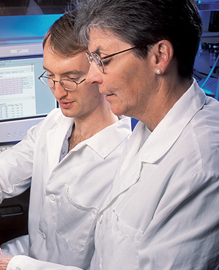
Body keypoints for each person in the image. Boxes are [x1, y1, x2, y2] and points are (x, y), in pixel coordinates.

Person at [0, 11, 131, 270]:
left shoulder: (126, 162)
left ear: (101, 69)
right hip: (31, 253)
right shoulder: (55, 124)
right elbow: (0, 172)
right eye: (50, 76)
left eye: (70, 78)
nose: (57, 90)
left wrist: (15, 266)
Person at [73, 0, 219, 269]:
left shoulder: (202, 166)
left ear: (159, 56)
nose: (91, 77)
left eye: (103, 60)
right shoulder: (147, 126)